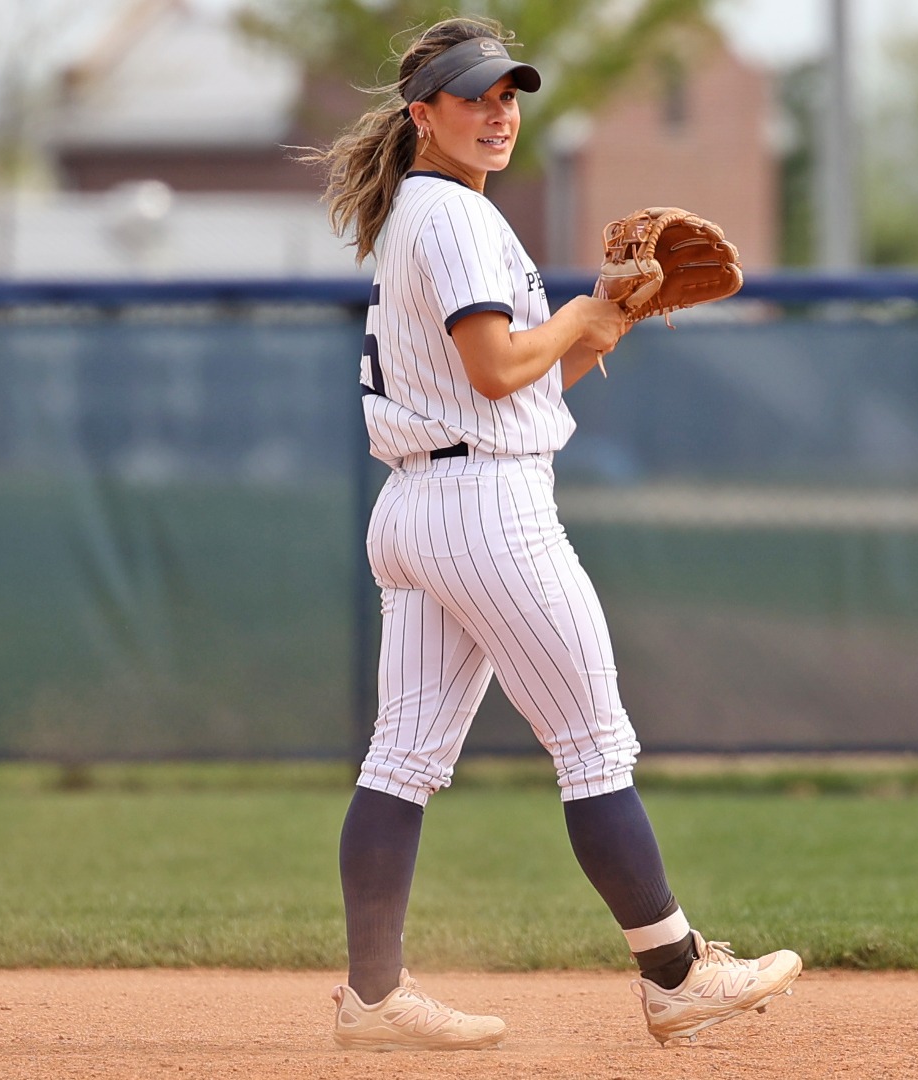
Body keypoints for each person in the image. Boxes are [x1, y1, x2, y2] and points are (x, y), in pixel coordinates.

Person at [305, 15, 801, 1051]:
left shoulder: (431, 213)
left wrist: (605, 319)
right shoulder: (452, 218)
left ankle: (374, 997)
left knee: (402, 760)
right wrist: (577, 315)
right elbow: (495, 370)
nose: (497, 113)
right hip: (486, 510)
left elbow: (510, 387)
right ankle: (673, 973)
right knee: (591, 742)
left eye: (508, 95)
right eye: (474, 95)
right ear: (422, 112)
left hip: (422, 506)